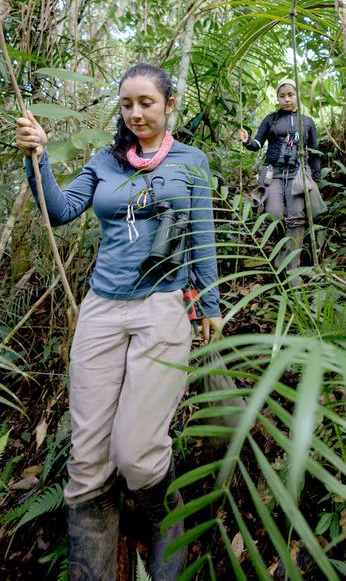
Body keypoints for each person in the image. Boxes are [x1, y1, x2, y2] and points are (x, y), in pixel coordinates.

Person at [16, 63, 222, 581]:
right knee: (87, 462)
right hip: (102, 310)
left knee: (137, 454)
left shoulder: (191, 162)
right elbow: (59, 210)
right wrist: (37, 158)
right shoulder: (104, 162)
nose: (135, 113)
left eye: (146, 102)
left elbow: (202, 236)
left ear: (169, 104)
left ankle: (163, 522)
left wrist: (210, 307)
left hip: (163, 306)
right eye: (127, 104)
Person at [237, 78, 320, 273]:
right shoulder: (271, 119)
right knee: (273, 214)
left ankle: (293, 269)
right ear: (278, 98)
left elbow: (314, 150)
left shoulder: (307, 122)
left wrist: (315, 177)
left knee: (296, 217)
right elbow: (256, 144)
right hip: (272, 173)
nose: (287, 99)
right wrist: (247, 140)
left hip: (297, 174)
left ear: (297, 95)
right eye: (282, 96)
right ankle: (280, 251)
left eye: (291, 95)